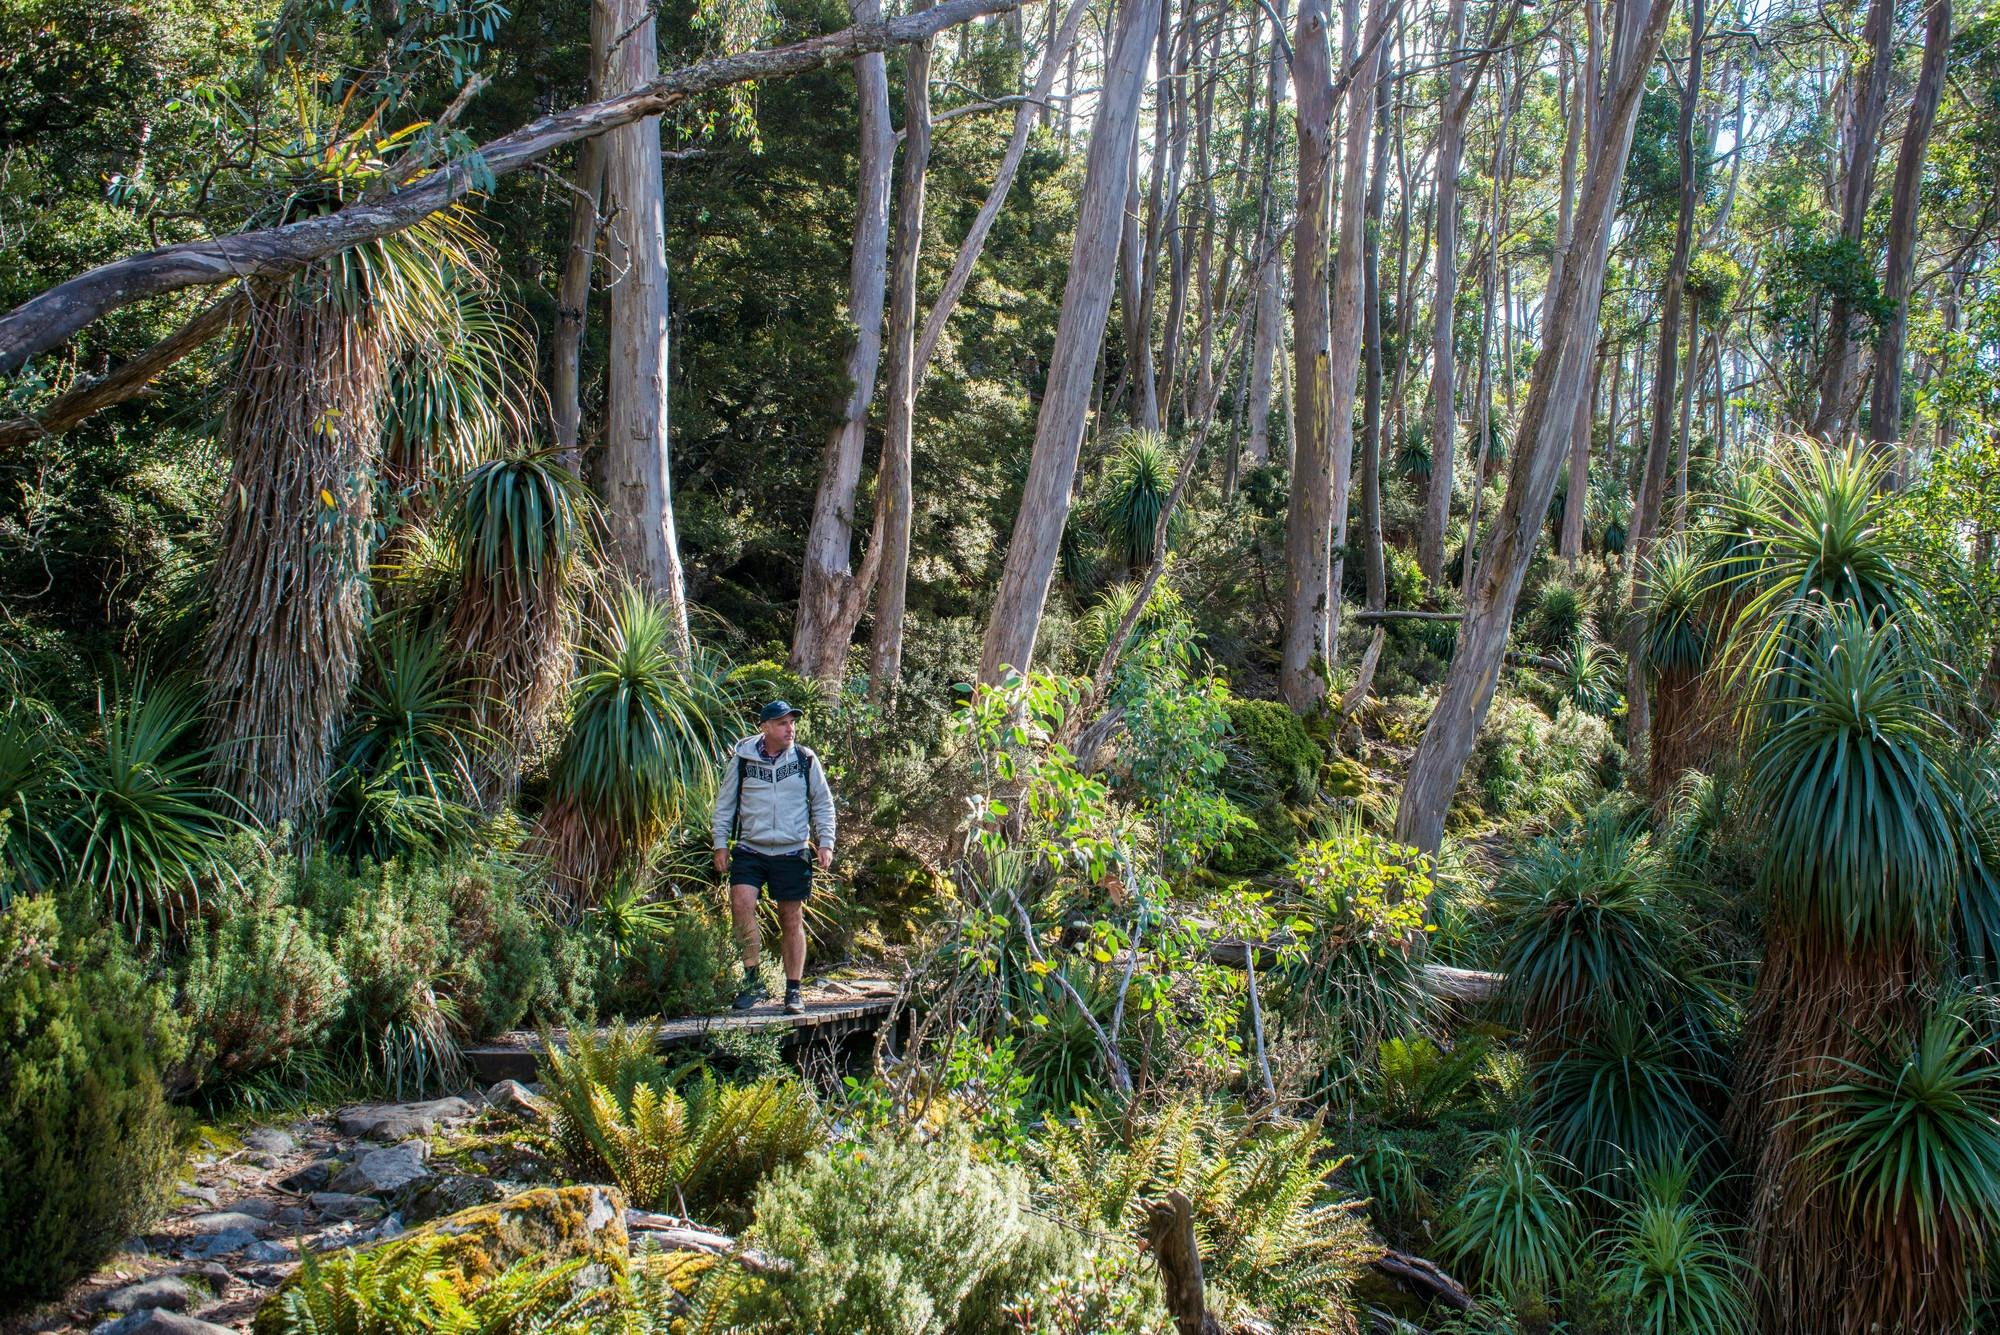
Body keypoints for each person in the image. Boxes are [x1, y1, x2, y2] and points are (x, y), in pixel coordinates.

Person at [712, 699, 836, 1014]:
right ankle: (752, 981)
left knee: (791, 918)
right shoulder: (743, 759)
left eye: (792, 722)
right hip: (750, 848)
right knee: (741, 903)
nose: (789, 728)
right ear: (765, 727)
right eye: (782, 723)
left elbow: (822, 801)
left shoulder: (806, 760)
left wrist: (826, 842)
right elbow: (726, 804)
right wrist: (720, 844)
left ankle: (793, 991)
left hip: (792, 850)